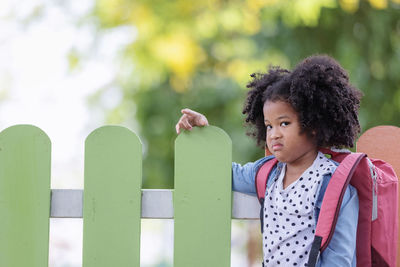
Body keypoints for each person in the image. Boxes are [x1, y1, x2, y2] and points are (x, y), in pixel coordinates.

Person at [175, 55, 362, 266]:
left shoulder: (332, 184)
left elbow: (340, 258)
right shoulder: (268, 173)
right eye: (269, 126)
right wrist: (203, 135)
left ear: (312, 124)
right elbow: (223, 173)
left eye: (284, 123)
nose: (273, 134)